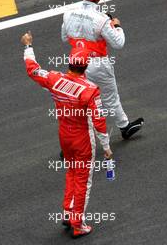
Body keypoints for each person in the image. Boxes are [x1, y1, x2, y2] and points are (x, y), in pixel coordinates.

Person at [21, 31, 113, 238]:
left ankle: (67, 212)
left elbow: (33, 71)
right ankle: (78, 224)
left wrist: (28, 46)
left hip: (65, 136)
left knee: (71, 173)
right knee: (83, 181)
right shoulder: (90, 90)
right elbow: (99, 121)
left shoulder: (54, 79)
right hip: (82, 139)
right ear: (86, 66)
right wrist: (106, 148)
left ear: (70, 63)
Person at [61, 0, 144, 139]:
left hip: (76, 63)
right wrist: (117, 26)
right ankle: (124, 126)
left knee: (79, 101)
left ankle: (73, 139)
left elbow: (64, 37)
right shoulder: (101, 19)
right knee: (110, 97)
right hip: (98, 64)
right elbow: (118, 43)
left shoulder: (68, 13)